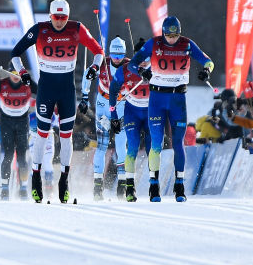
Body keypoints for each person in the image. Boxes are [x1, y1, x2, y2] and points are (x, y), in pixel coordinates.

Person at [9, 0, 104, 203]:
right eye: (56, 17)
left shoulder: (76, 28)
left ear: (67, 17)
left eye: (63, 18)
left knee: (66, 136)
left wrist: (95, 68)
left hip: (66, 91)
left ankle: (64, 181)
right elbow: (15, 53)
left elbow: (99, 51)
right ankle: (36, 178)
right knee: (42, 135)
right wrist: (23, 73)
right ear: (50, 16)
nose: (60, 22)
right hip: (46, 89)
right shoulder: (40, 30)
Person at [128, 16, 213, 202]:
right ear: (163, 33)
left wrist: (206, 71)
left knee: (178, 142)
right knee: (156, 143)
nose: (172, 39)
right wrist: (142, 71)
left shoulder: (187, 44)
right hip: (157, 99)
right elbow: (132, 64)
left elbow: (208, 61)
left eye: (175, 36)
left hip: (177, 99)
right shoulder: (154, 44)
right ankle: (153, 186)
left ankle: (179, 185)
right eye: (168, 36)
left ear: (179, 33)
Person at [82, 35, 128, 201]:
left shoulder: (129, 65)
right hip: (103, 106)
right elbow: (88, 74)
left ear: (124, 54)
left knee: (122, 145)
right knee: (102, 146)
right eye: (114, 56)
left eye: (120, 56)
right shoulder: (102, 63)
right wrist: (84, 96)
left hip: (121, 106)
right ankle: (97, 186)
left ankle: (122, 185)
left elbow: (143, 74)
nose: (117, 59)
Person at [111, 38, 152, 201]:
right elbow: (112, 92)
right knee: (132, 146)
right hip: (132, 113)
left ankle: (154, 185)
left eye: (147, 58)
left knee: (152, 148)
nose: (144, 62)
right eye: (141, 58)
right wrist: (114, 117)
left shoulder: (156, 69)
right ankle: (130, 187)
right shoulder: (126, 70)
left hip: (151, 113)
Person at [0, 62, 35, 200]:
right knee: (8, 155)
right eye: (13, 74)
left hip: (23, 121)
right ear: (9, 72)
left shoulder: (28, 83)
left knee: (22, 157)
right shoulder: (2, 84)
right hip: (6, 121)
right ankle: (4, 188)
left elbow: (43, 90)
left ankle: (23, 187)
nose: (16, 77)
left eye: (18, 74)